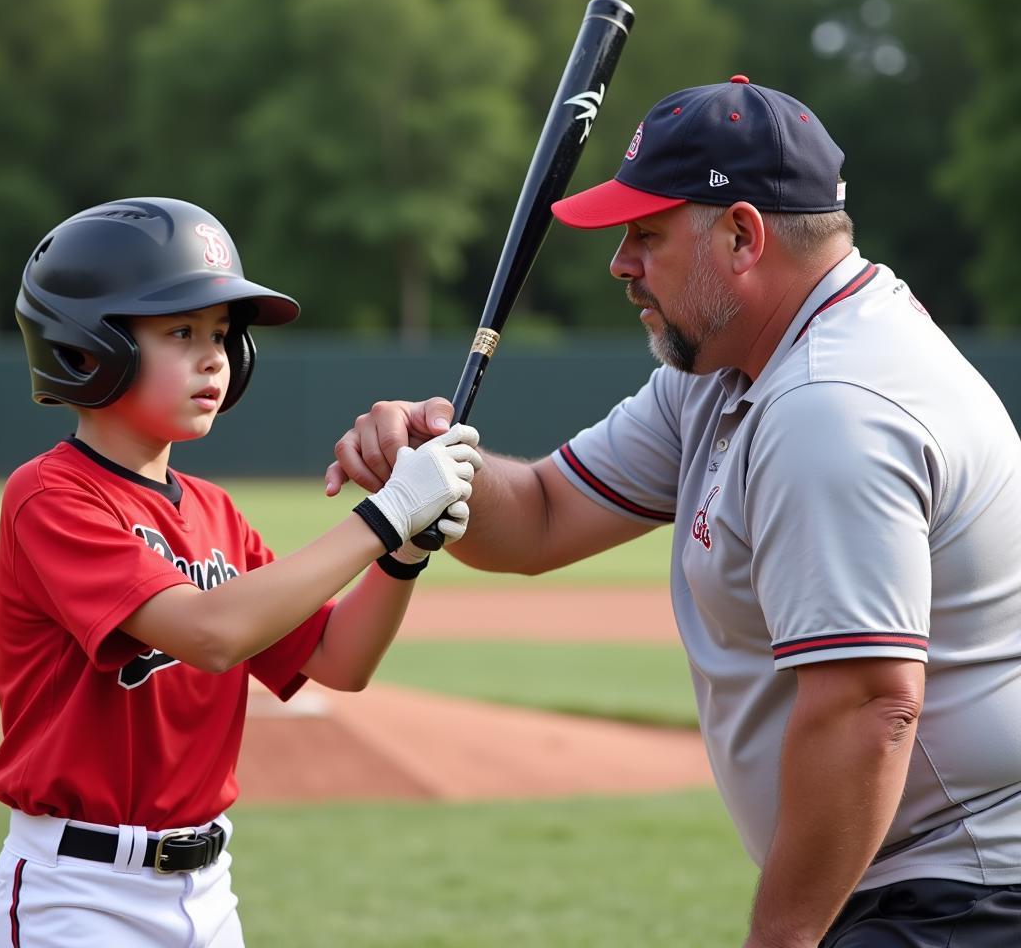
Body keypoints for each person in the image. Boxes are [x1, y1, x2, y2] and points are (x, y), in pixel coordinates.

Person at [328, 75, 1021, 947]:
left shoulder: (830, 407)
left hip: (964, 900)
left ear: (742, 235)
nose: (620, 263)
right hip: (915, 882)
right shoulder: (733, 372)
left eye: (645, 234)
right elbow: (541, 515)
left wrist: (782, 940)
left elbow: (871, 710)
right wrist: (436, 466)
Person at [0, 196, 481, 947]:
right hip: (80, 894)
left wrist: (405, 552)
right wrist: (384, 515)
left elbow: (337, 659)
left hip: (208, 893)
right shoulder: (49, 497)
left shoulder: (215, 512)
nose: (214, 355)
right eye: (180, 331)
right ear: (88, 349)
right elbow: (211, 633)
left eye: (221, 334)